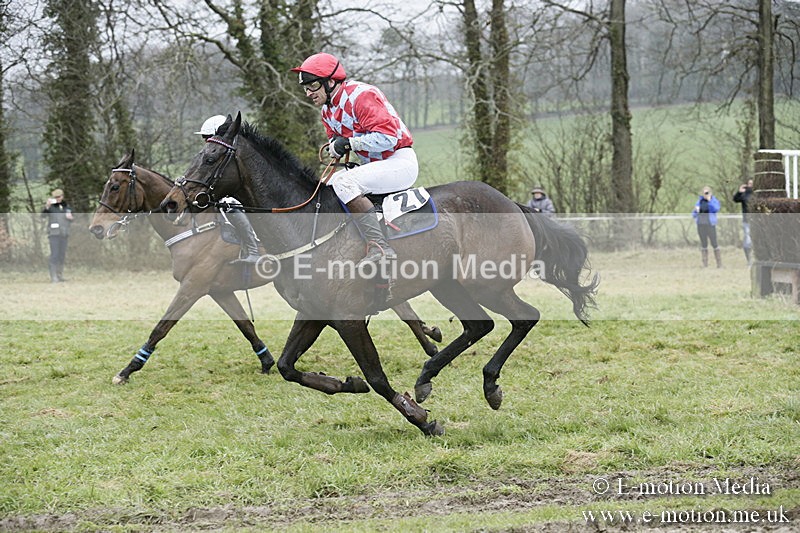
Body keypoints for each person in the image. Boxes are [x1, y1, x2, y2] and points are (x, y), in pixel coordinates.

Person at [291, 52, 418, 266]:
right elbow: (337, 143)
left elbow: (389, 137)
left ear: (330, 82)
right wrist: (336, 148)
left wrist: (349, 143)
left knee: (344, 182)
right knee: (324, 187)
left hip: (399, 161)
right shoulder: (327, 111)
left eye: (312, 86)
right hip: (375, 167)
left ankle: (380, 247)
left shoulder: (361, 95)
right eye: (305, 88)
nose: (308, 93)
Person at [194, 115, 261, 265]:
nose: (205, 141)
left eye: (207, 137)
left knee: (230, 205)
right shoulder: (210, 152)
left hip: (238, 193)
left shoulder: (231, 151)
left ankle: (253, 250)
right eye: (204, 138)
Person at [42, 188, 73, 282]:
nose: (57, 198)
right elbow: (43, 216)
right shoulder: (51, 207)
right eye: (55, 197)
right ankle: (53, 276)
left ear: (62, 196)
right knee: (54, 255)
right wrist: (47, 207)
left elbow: (72, 219)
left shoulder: (66, 206)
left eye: (59, 197)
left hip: (64, 233)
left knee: (61, 255)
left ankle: (60, 275)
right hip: (54, 234)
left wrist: (71, 218)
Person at [692, 186, 722, 268]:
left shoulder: (714, 201)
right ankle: (705, 264)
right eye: (704, 193)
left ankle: (719, 263)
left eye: (707, 192)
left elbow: (716, 209)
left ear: (710, 193)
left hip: (710, 224)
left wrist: (709, 201)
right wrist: (696, 211)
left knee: (714, 243)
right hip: (701, 224)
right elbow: (693, 214)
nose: (706, 194)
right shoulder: (699, 201)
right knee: (703, 244)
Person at [732, 178, 753, 265]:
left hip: (757, 221)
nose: (750, 185)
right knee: (747, 241)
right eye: (749, 183)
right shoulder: (745, 194)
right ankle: (749, 260)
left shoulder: (757, 194)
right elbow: (735, 199)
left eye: (752, 183)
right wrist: (739, 192)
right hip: (747, 221)